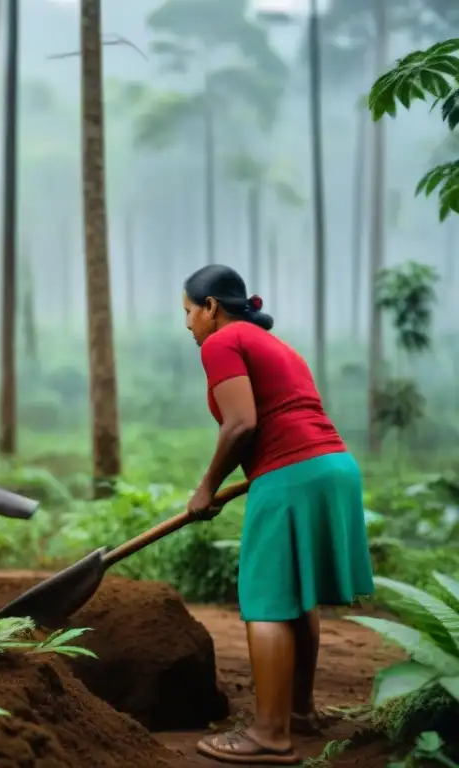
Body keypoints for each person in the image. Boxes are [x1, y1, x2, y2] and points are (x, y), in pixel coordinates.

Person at [182, 264, 374, 765]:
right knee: (295, 594)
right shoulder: (278, 344)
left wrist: (207, 487)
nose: (186, 325)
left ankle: (269, 734)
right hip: (332, 464)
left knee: (266, 598)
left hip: (292, 473)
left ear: (210, 307)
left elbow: (243, 422)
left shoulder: (220, 343)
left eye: (187, 312)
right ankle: (299, 713)